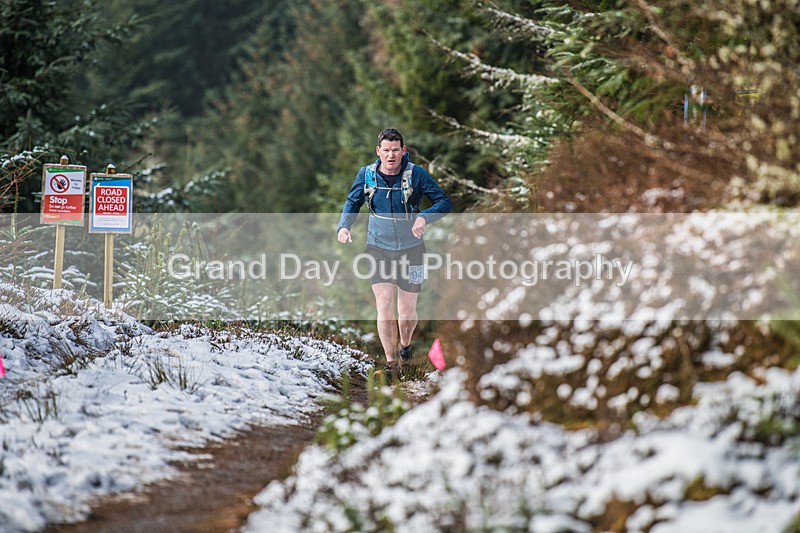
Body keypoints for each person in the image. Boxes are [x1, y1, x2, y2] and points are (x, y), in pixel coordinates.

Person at [337, 128, 453, 378]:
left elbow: (444, 202)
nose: (391, 155)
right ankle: (391, 365)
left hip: (412, 250)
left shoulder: (416, 174)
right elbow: (352, 201)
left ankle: (405, 347)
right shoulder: (367, 174)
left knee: (407, 312)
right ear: (378, 151)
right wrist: (344, 226)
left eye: (395, 150)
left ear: (403, 151)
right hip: (378, 248)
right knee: (385, 305)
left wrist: (424, 216)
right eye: (386, 150)